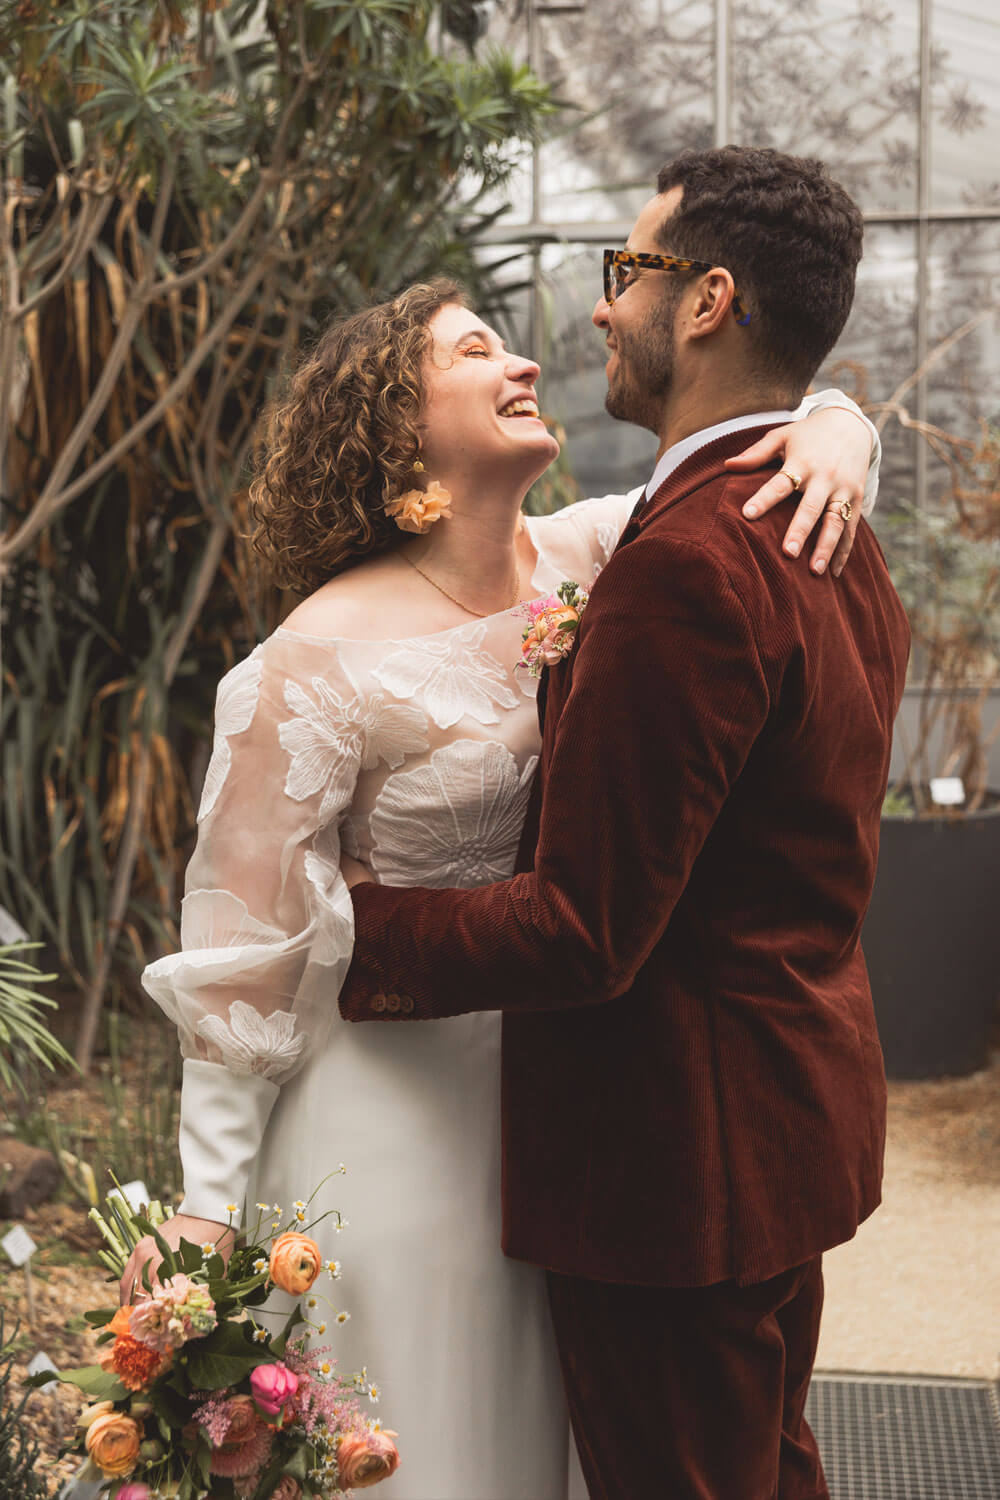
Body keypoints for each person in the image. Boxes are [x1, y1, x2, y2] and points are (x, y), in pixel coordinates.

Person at [125, 262, 882, 1496]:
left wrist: (844, 424)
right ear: (397, 423)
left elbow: (753, 445)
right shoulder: (301, 665)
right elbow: (240, 970)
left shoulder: (598, 552)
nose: (523, 362)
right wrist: (206, 1213)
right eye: (474, 350)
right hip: (396, 1129)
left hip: (588, 1119)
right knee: (442, 1445)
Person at [335, 148, 912, 1500]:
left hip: (674, 1173)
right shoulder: (824, 528)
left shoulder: (695, 565)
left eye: (626, 272)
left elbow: (586, 930)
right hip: (777, 1133)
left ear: (707, 301)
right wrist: (840, 415)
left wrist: (348, 928)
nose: (600, 309)